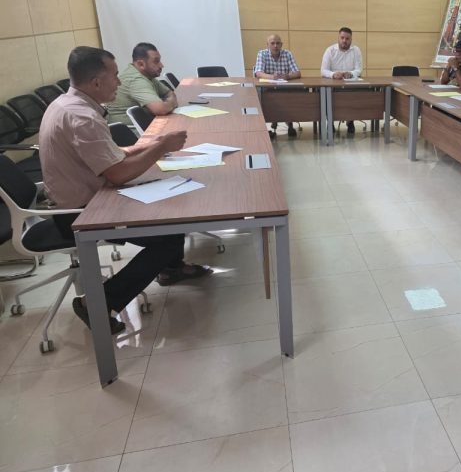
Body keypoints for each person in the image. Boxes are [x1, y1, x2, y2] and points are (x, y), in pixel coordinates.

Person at [39, 46, 211, 335]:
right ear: (96, 82)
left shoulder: (66, 104)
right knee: (166, 234)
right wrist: (159, 148)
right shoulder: (82, 117)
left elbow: (106, 153)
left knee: (170, 212)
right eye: (115, 75)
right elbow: (117, 174)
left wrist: (145, 146)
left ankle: (172, 268)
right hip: (81, 212)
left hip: (79, 199)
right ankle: (99, 301)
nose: (119, 82)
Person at [106, 42, 177, 128]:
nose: (161, 65)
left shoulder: (147, 76)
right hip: (134, 132)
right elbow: (160, 109)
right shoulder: (135, 80)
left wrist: (168, 103)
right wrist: (172, 102)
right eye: (156, 61)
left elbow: (169, 93)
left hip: (148, 124)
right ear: (141, 64)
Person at [253, 34, 301, 138]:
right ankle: (269, 123)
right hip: (267, 89)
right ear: (267, 45)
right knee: (267, 99)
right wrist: (272, 77)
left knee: (292, 96)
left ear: (281, 45)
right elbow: (258, 73)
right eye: (272, 43)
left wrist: (287, 76)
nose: (275, 46)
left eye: (278, 43)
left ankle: (289, 121)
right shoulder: (262, 54)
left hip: (284, 88)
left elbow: (297, 73)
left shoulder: (287, 54)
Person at [320, 27, 364, 133]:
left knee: (353, 97)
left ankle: (350, 121)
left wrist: (351, 73)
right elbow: (323, 70)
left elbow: (359, 69)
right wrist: (333, 74)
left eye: (347, 38)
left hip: (350, 85)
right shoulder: (330, 50)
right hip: (333, 86)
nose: (344, 41)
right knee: (329, 96)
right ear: (338, 38)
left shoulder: (356, 50)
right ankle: (330, 122)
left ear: (351, 40)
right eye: (342, 38)